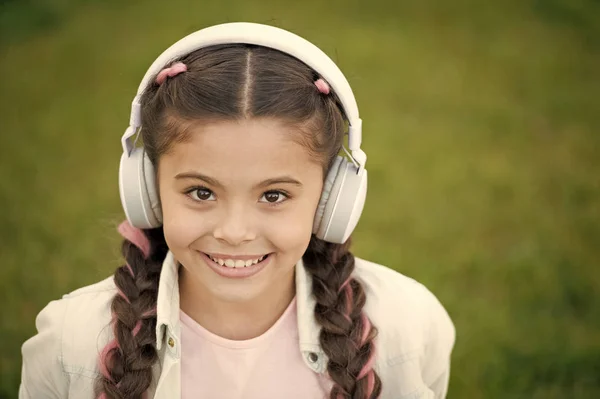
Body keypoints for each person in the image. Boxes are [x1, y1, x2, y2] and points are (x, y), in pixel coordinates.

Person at [19, 22, 455, 399]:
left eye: (274, 195)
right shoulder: (69, 344)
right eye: (202, 192)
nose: (234, 231)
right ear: (147, 190)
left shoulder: (408, 327)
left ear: (330, 199)